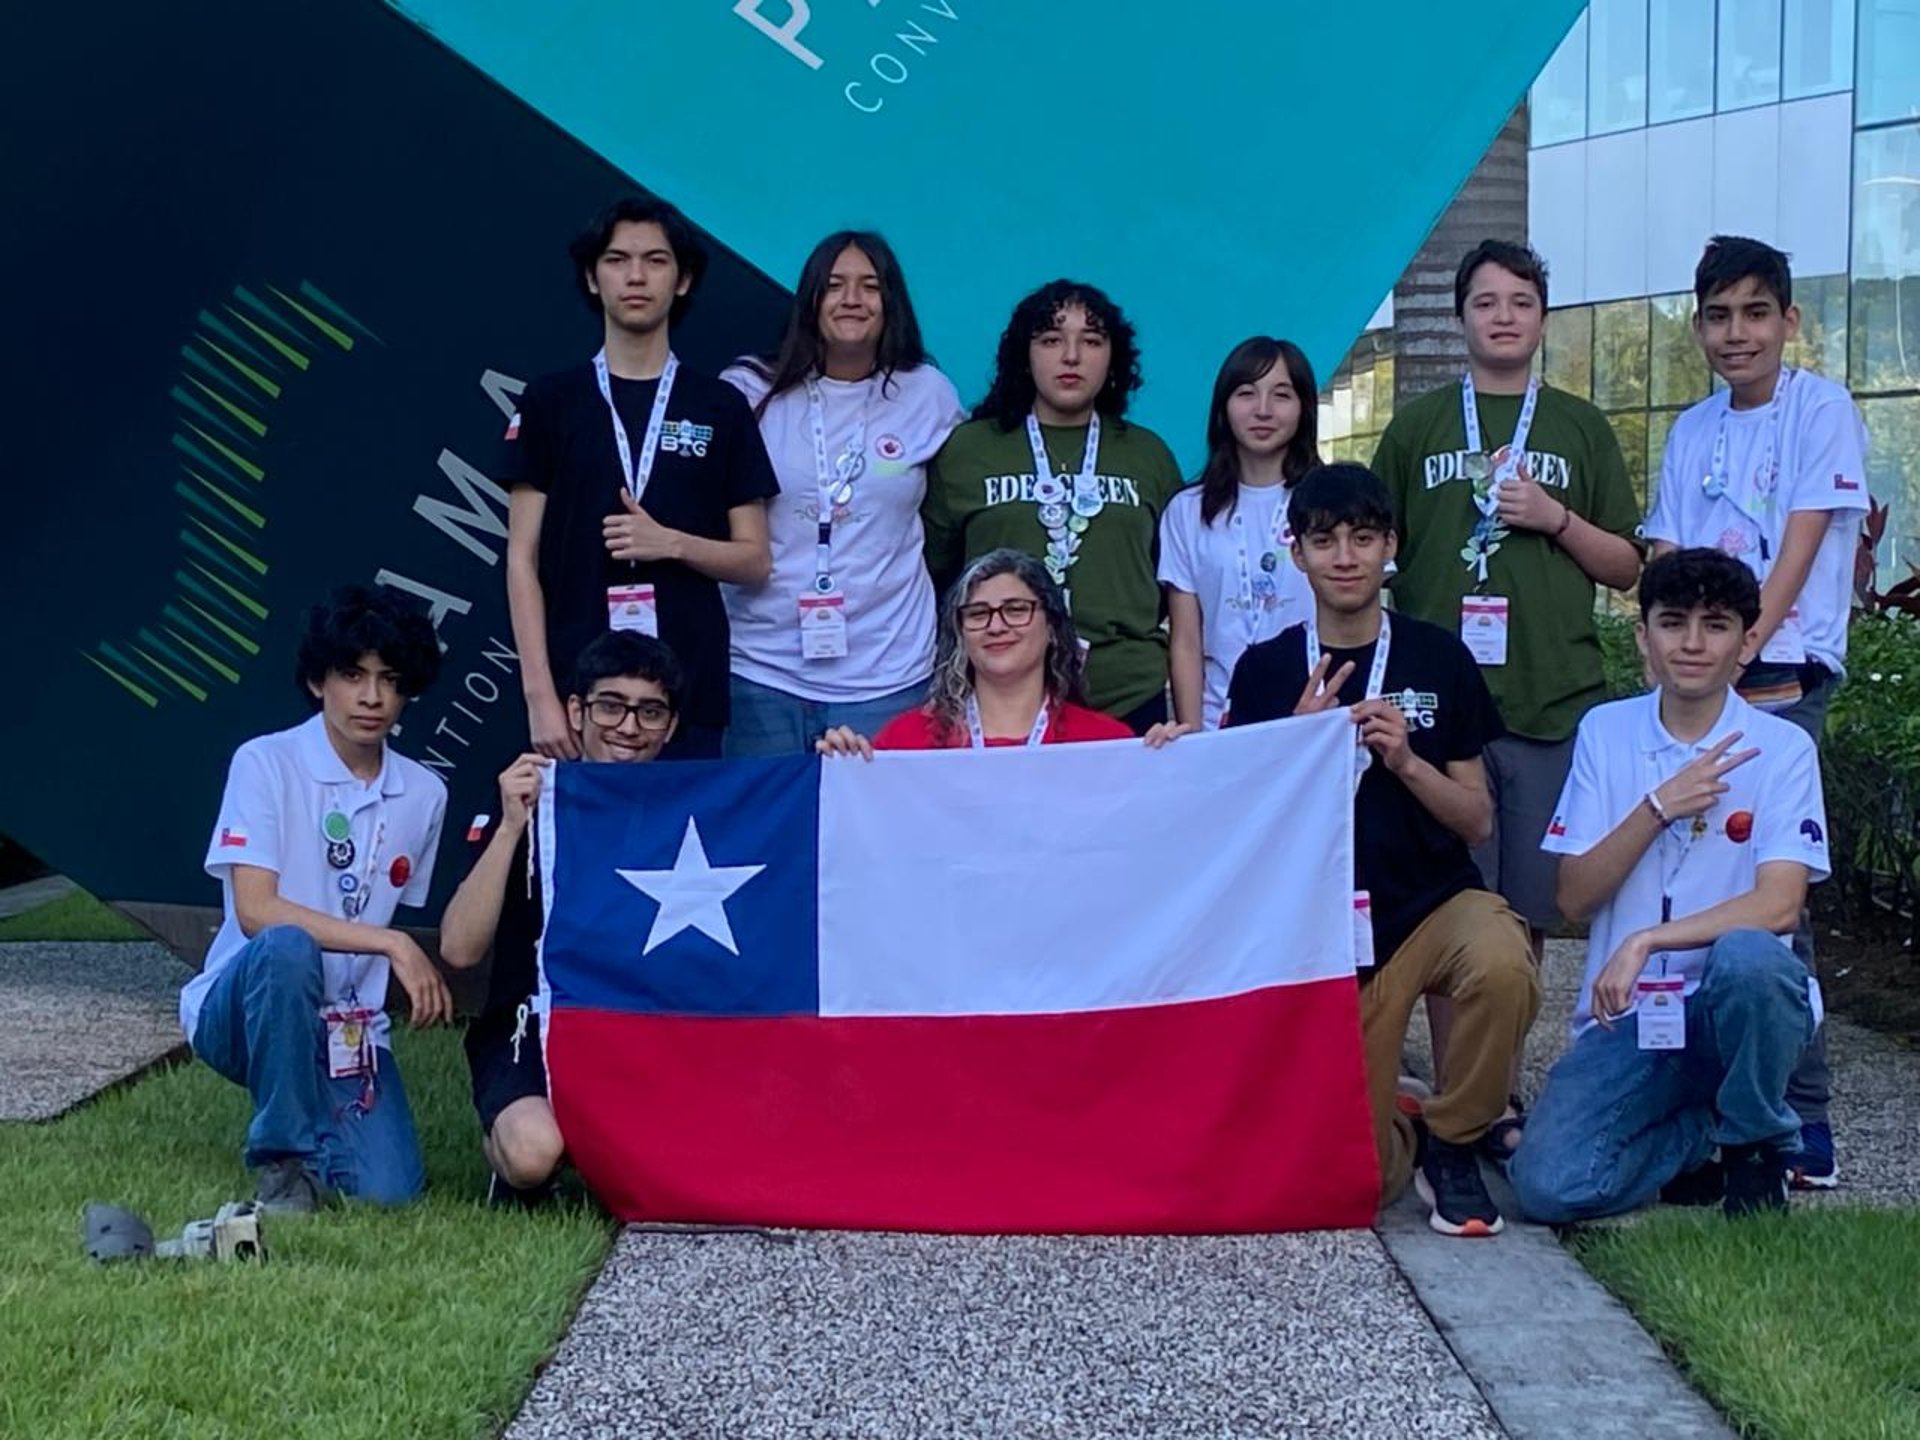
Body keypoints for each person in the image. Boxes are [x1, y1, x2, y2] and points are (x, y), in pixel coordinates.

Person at [1226, 464, 1539, 1237]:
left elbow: (1477, 822)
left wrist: (1406, 762)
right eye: (1324, 540)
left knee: (1503, 960)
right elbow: (1242, 833)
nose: (1344, 557)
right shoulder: (1266, 669)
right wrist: (1293, 747)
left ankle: (1456, 1133)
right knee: (1363, 1184)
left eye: (1363, 539)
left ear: (1390, 548)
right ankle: (1409, 1133)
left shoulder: (1438, 657)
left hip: (1434, 904)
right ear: (1294, 551)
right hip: (1330, 933)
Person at [1644, 235, 1869, 1190]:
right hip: (1698, 684)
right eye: (1718, 316)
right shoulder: (1692, 428)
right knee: (1689, 877)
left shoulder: (1823, 412)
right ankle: (1695, 1098)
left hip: (1778, 684)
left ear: (1788, 320)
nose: (1737, 334)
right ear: (1698, 327)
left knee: (1781, 902)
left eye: (1755, 313)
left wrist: (1733, 663)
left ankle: (1797, 1116)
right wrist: (1673, 661)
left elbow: (1797, 553)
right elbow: (1665, 555)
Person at [1511, 549, 1827, 1222]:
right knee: (1549, 1187)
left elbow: (1780, 904)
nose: (1690, 643)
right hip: (1629, 1024)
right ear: (1642, 637)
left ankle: (1753, 1146)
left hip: (1729, 1013)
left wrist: (1649, 939)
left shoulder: (1781, 748)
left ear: (1747, 644)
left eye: (1715, 625)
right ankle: (1698, 1139)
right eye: (1671, 621)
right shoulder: (1606, 731)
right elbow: (1572, 897)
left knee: (1751, 960)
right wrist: (1659, 806)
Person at [1372, 240, 1642, 967]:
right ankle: (1462, 1078)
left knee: (1531, 903)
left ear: (1543, 321)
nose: (1504, 317)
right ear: (1461, 318)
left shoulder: (1579, 427)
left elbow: (1626, 567)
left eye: (1522, 303)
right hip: (1438, 702)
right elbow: (1373, 556)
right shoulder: (1415, 426)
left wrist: (1555, 517)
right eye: (1486, 302)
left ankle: (1503, 1076)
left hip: (1547, 696)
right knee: (1440, 899)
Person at [186, 586, 451, 1212]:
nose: (372, 697)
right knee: (286, 947)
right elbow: (256, 911)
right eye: (352, 675)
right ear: (316, 682)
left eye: (390, 679)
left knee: (389, 1195)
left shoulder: (425, 793)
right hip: (244, 1008)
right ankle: (283, 1165)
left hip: (349, 1027)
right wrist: (392, 943)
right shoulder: (266, 761)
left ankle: (319, 1128)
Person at [504, 195, 777, 761]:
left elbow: (754, 561)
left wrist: (672, 543)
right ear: (591, 276)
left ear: (682, 280)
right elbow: (521, 559)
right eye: (617, 259)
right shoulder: (551, 401)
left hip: (687, 696)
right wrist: (541, 697)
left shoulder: (721, 405)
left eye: (655, 260)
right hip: (578, 695)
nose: (635, 276)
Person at [440, 631, 684, 1204]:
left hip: (650, 1025)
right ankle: (513, 1151)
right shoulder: (532, 800)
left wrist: (837, 775)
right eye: (610, 706)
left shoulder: (692, 805)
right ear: (575, 712)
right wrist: (509, 828)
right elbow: (458, 949)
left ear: (671, 726)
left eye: (650, 711)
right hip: (533, 1022)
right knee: (532, 1154)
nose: (628, 727)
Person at [719, 230, 965, 756]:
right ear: (810, 299)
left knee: (877, 838)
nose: (851, 299)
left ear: (890, 303)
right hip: (762, 668)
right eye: (834, 286)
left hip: (888, 672)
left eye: (869, 286)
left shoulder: (928, 393)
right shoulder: (749, 389)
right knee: (767, 835)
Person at [921, 280, 1184, 734]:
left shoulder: (1148, 455)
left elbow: (1170, 578)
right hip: (1001, 701)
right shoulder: (968, 450)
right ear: (1025, 354)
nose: (1071, 356)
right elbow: (939, 571)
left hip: (1126, 695)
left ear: (1113, 357)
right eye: (1051, 340)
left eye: (1092, 341)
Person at [817, 548, 1188, 754]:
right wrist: (849, 768)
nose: (996, 626)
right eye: (978, 614)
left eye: (1016, 610)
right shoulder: (908, 740)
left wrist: (1171, 767)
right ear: (960, 633)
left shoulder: (1106, 743)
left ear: (1053, 628)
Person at [1159, 336, 1320, 729]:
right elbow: (1186, 638)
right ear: (1224, 407)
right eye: (1246, 393)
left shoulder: (1330, 498)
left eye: (1282, 395)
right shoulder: (1188, 510)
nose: (1263, 410)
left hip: (1316, 711)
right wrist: (1192, 731)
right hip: (1220, 720)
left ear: (1303, 407)